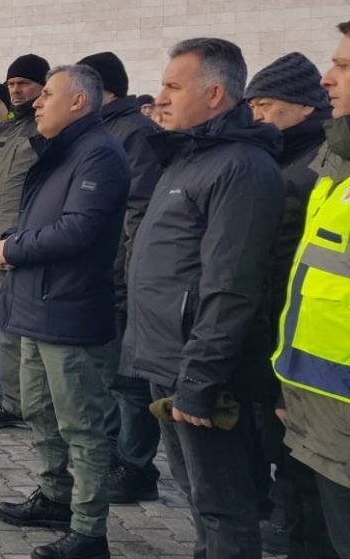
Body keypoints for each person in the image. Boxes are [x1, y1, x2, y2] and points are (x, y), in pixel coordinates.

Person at [127, 38, 284, 559]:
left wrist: (200, 379)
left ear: (214, 94)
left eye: (174, 86)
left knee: (223, 506)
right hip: (168, 359)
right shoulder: (189, 157)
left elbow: (232, 285)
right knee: (198, 495)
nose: (160, 97)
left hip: (204, 372)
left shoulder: (241, 166)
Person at [0, 64, 129, 559]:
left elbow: (78, 230)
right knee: (40, 412)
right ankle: (55, 497)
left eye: (48, 94)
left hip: (69, 312)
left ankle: (89, 531)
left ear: (78, 102)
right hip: (35, 306)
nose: (37, 102)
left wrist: (13, 247)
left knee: (82, 425)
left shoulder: (98, 154)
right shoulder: (59, 149)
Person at [244, 52, 336, 556]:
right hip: (280, 331)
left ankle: (288, 520)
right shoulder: (283, 156)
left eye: (265, 104)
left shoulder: (315, 165)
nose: (256, 114)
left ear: (303, 107)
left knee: (299, 462)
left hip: (303, 342)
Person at [272, 21, 350, 559]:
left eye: (343, 66)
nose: (327, 79)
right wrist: (290, 392)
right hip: (317, 411)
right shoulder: (334, 165)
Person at [77, 51, 163, 506]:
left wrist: (124, 276)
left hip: (122, 278)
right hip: (101, 274)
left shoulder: (134, 132)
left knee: (129, 381)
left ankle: (135, 467)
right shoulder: (103, 129)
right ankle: (114, 455)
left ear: (102, 89)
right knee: (108, 375)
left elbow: (138, 211)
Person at [0, 53, 50, 429]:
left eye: (24, 83)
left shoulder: (47, 130)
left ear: (43, 87)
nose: (16, 90)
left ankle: (38, 407)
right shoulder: (2, 133)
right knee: (4, 330)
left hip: (28, 247)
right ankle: (14, 403)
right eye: (12, 84)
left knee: (31, 335)